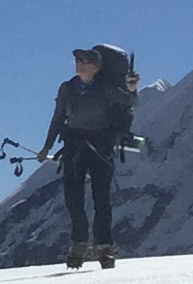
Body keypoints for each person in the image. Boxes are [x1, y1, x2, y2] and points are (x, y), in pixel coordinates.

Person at [38, 43, 135, 269]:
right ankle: (87, 245)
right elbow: (57, 118)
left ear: (96, 67)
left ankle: (99, 247)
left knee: (100, 198)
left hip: (95, 147)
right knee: (75, 198)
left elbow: (129, 101)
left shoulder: (104, 89)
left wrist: (131, 90)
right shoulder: (68, 88)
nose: (78, 64)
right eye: (78, 61)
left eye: (84, 61)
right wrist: (46, 146)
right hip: (80, 148)